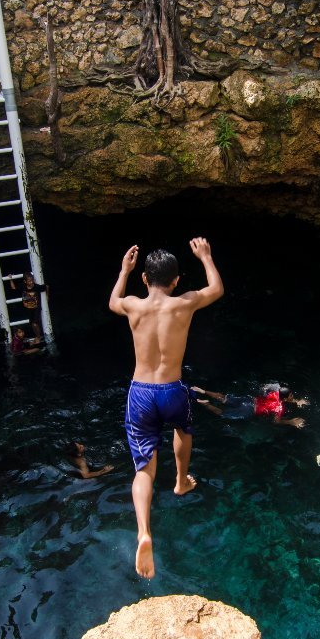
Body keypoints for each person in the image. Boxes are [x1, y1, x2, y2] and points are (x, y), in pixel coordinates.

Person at [109, 238, 224, 579]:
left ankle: (144, 530)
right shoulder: (184, 303)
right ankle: (181, 481)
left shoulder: (132, 306)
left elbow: (112, 299)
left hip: (141, 391)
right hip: (173, 388)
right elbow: (216, 288)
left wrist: (123, 270)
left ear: (145, 279)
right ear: (176, 281)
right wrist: (206, 255)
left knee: (143, 469)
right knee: (182, 430)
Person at [192, 382, 308, 429]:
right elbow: (276, 422)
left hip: (249, 400)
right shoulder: (279, 407)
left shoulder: (275, 391)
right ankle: (206, 404)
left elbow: (265, 388)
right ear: (286, 398)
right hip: (249, 410)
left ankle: (203, 391)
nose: (292, 396)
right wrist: (291, 422)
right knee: (222, 413)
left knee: (223, 398)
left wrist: (296, 402)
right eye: (291, 396)